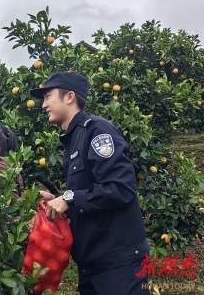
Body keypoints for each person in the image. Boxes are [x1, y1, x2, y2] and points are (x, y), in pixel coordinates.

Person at [30, 71, 149, 295]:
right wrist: (60, 198)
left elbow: (121, 188)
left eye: (48, 96)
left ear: (69, 97)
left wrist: (69, 197)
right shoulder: (74, 139)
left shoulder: (97, 131)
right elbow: (89, 191)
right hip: (94, 264)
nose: (44, 104)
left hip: (119, 263)